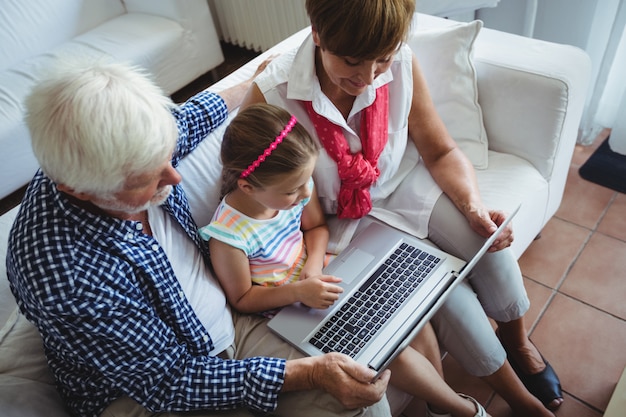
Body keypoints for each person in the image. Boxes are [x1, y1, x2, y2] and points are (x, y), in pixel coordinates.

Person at [6, 59, 393, 417]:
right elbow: (167, 381)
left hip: (229, 319)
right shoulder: (65, 274)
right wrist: (309, 373)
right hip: (147, 392)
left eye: (167, 155)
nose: (173, 179)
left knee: (364, 386)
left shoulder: (123, 148)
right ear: (78, 190)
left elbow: (190, 118)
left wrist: (255, 82)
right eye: (147, 179)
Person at [239, 0, 563, 416]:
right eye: (352, 61)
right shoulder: (273, 94)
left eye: (381, 61)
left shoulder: (402, 64)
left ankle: (518, 343)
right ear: (317, 33)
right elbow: (253, 191)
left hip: (405, 189)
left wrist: (474, 206)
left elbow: (441, 150)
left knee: (488, 244)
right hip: (346, 224)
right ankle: (520, 400)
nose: (368, 77)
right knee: (451, 302)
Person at [200, 102, 490, 417]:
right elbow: (243, 299)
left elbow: (316, 227)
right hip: (285, 309)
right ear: (248, 187)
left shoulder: (294, 188)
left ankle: (438, 406)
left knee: (410, 322)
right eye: (292, 192)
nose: (302, 195)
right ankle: (467, 411)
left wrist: (312, 268)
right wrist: (299, 291)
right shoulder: (228, 235)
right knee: (395, 351)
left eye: (304, 184)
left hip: (321, 277)